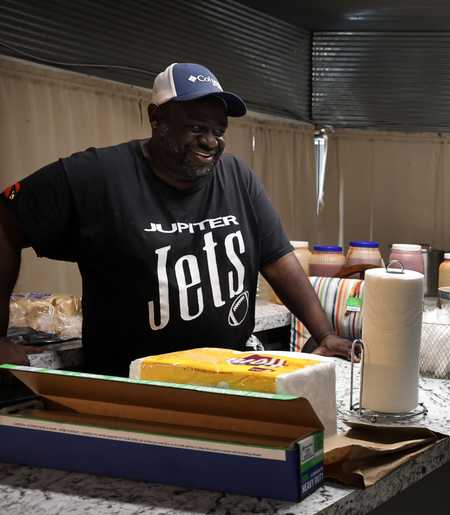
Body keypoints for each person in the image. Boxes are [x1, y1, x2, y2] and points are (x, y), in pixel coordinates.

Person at [0, 62, 351, 374]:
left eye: (219, 131)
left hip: (226, 376)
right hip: (135, 387)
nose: (210, 142)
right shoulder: (98, 176)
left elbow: (276, 258)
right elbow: (6, 220)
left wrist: (324, 334)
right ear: (157, 118)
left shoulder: (236, 177)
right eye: (197, 127)